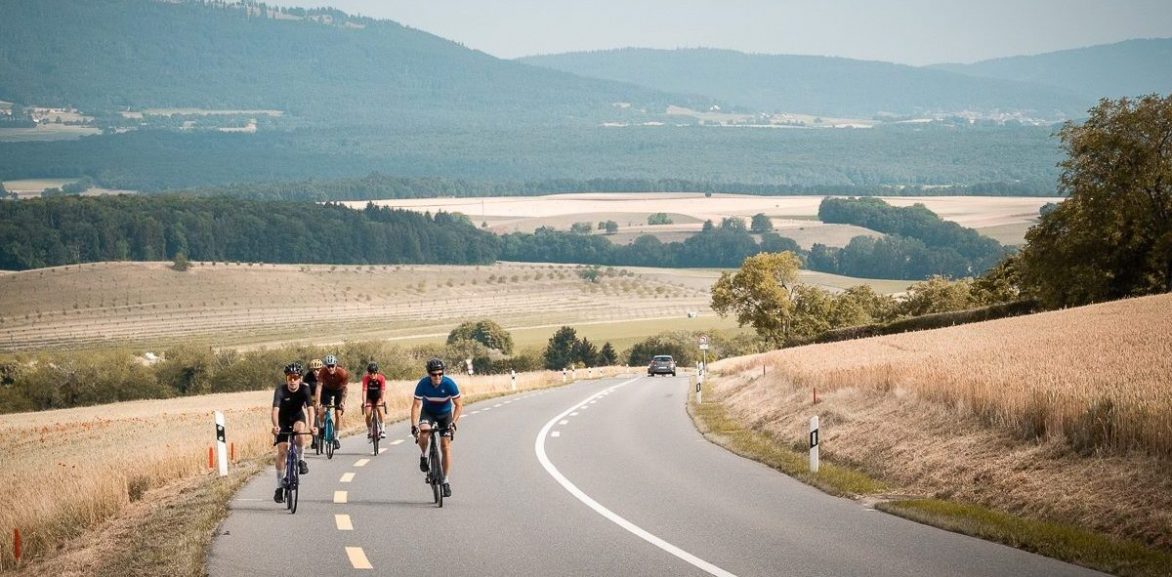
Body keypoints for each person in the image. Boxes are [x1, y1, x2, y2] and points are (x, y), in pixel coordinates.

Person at [410, 358, 462, 498]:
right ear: (429, 374)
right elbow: (416, 406)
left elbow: (458, 405)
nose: (437, 377)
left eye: (440, 373)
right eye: (434, 374)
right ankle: (424, 455)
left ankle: (445, 480)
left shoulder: (449, 384)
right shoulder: (423, 384)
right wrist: (414, 425)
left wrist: (454, 423)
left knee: (445, 446)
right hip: (428, 413)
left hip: (445, 415)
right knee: (424, 432)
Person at [272, 362, 316, 503]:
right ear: (286, 378)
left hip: (298, 417)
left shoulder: (305, 389)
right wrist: (276, 426)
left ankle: (301, 460)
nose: (292, 381)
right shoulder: (280, 390)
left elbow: (309, 409)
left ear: (300, 378)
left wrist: (312, 426)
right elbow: (275, 411)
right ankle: (279, 488)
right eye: (290, 377)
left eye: (295, 377)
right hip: (283, 420)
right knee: (282, 451)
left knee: (299, 430)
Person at [314, 354, 349, 451]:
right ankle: (321, 427)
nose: (330, 368)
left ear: (336, 365)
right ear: (326, 366)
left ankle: (337, 438)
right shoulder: (322, 372)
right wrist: (317, 402)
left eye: (332, 366)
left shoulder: (342, 373)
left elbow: (345, 390)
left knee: (338, 414)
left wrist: (342, 402)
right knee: (322, 410)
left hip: (339, 390)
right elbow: (319, 387)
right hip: (327, 390)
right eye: (328, 366)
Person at [361, 362, 388, 440]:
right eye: (370, 373)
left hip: (378, 397)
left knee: (380, 408)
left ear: (377, 372)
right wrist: (365, 403)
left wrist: (382, 401)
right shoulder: (366, 378)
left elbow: (383, 391)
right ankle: (369, 431)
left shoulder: (381, 378)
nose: (372, 375)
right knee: (368, 414)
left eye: (373, 373)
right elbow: (364, 391)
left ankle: (382, 430)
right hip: (369, 397)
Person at [305, 358, 323, 450]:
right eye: (314, 370)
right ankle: (314, 440)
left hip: (323, 397)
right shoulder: (308, 377)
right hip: (311, 398)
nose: (316, 372)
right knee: (312, 416)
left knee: (322, 413)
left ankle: (323, 427)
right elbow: (304, 390)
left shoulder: (325, 375)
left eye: (318, 369)